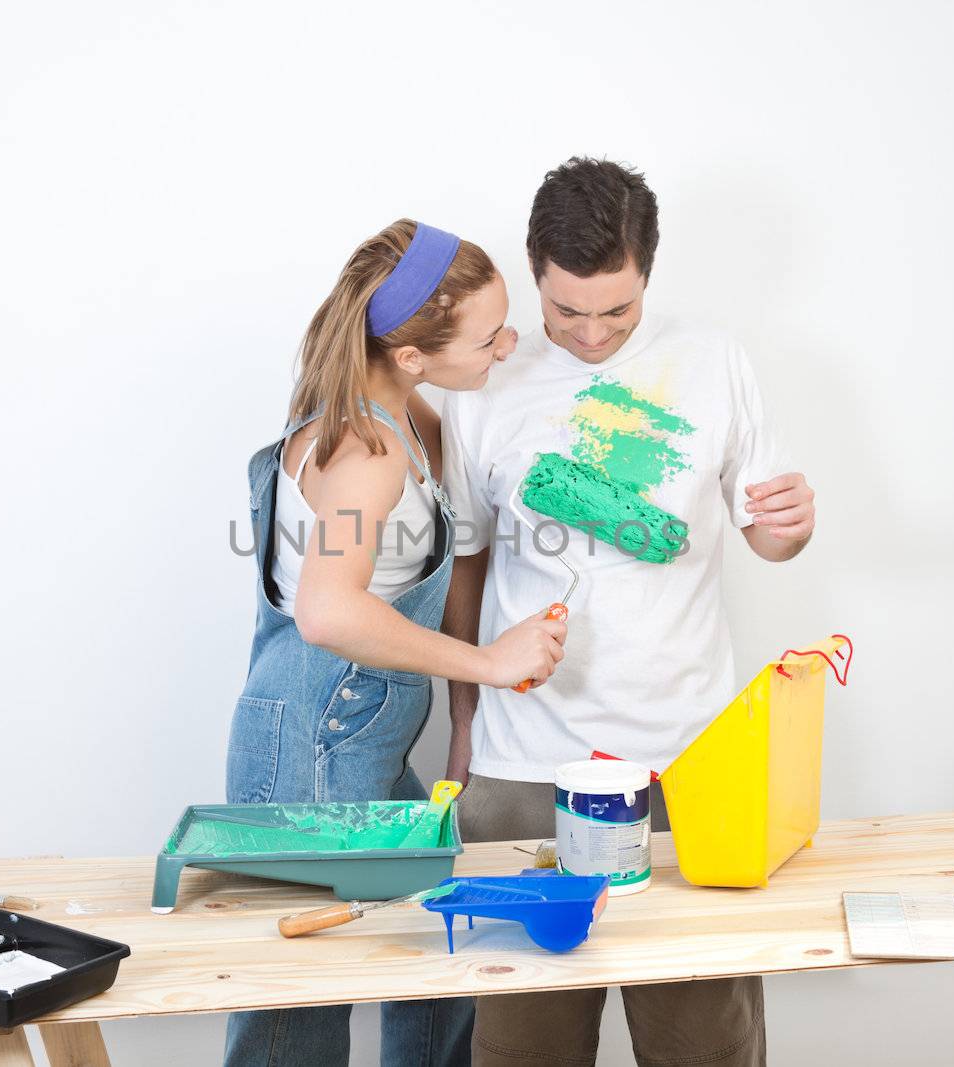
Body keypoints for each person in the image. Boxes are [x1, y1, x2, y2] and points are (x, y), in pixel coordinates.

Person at [441, 159, 818, 1066]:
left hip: (688, 767)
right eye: (569, 312)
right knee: (524, 1050)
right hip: (526, 766)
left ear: (647, 271)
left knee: (706, 1049)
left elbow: (767, 536)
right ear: (535, 271)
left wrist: (790, 530)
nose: (594, 332)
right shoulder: (484, 379)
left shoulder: (716, 359)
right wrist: (462, 722)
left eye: (618, 310)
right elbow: (466, 560)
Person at [223, 219, 569, 1067]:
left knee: (437, 943)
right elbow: (327, 611)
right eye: (490, 337)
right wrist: (490, 663)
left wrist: (463, 717)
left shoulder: (403, 411)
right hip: (314, 732)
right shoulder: (367, 451)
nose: (510, 343)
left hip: (355, 730)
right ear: (411, 354)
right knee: (299, 1004)